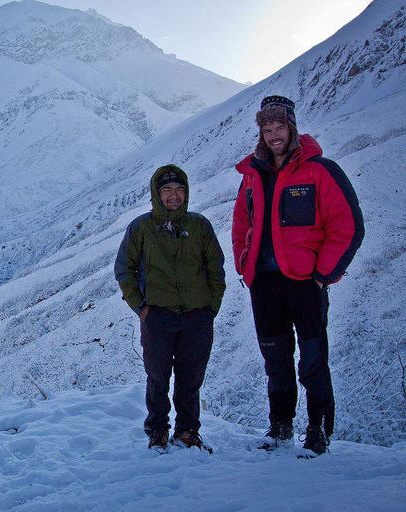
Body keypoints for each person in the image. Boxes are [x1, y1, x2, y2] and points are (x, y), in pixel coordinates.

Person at [232, 95, 364, 456]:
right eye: (267, 128)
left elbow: (348, 227)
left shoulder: (320, 171)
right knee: (275, 358)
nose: (274, 135)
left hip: (306, 282)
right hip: (265, 283)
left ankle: (318, 429)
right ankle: (281, 426)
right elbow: (242, 222)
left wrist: (323, 275)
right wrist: (246, 264)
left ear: (292, 129)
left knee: (311, 358)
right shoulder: (253, 176)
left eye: (279, 127)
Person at [115, 164, 226, 451]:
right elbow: (124, 270)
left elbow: (216, 267)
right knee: (158, 377)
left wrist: (211, 307)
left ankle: (188, 430)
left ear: (186, 193)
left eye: (179, 190)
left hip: (197, 316)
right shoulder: (141, 227)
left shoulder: (199, 226)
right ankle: (158, 430)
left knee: (191, 378)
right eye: (167, 190)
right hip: (158, 316)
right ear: (156, 194)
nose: (173, 195)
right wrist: (140, 307)